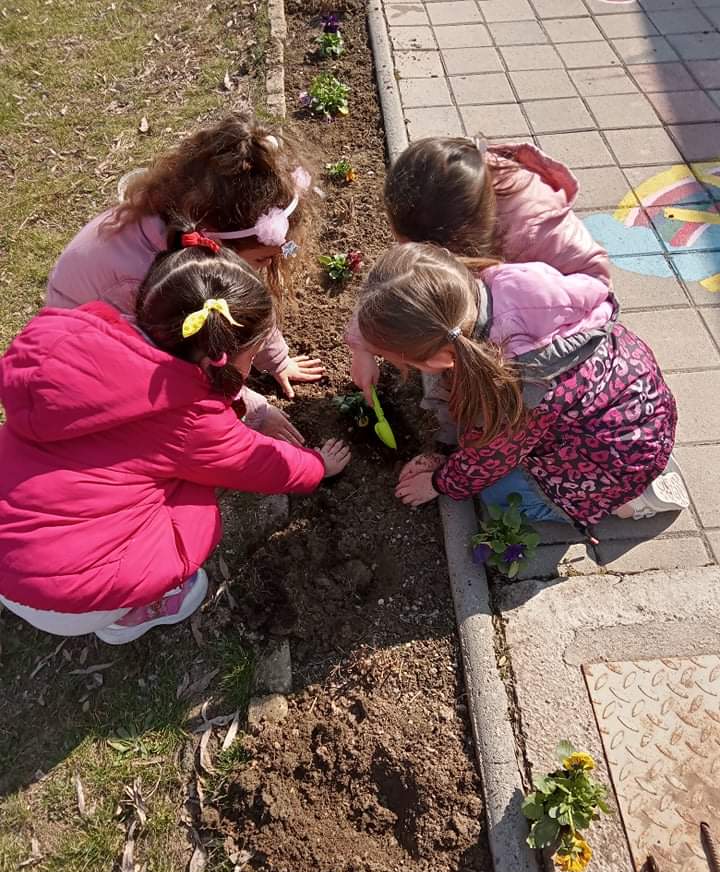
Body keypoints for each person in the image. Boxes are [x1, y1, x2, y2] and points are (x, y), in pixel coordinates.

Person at [0, 245, 350, 644]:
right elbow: (258, 463)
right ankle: (132, 613)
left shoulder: (85, 342)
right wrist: (317, 466)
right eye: (252, 358)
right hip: (69, 597)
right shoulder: (187, 418)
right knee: (198, 499)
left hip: (12, 545)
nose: (252, 368)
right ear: (215, 361)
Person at [354, 243, 688, 533]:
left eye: (408, 364)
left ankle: (633, 501)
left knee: (499, 495)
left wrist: (439, 481)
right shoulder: (496, 286)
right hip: (634, 400)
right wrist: (362, 348)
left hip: (619, 460)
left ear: (440, 357)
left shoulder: (511, 392)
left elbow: (487, 460)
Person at [46, 110, 324, 444]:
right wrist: (255, 411)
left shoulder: (188, 229)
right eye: (262, 260)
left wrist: (278, 361)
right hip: (85, 361)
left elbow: (251, 304)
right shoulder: (153, 283)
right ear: (216, 244)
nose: (266, 268)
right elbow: (188, 371)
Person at [348, 135, 611, 401]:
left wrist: (520, 355)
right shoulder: (435, 201)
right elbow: (398, 281)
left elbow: (597, 287)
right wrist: (363, 346)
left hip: (551, 336)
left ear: (457, 245)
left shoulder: (536, 230)